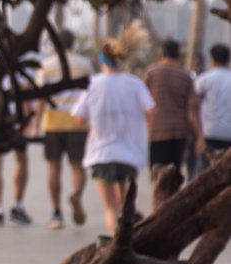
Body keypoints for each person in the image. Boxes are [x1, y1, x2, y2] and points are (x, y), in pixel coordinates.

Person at [72, 36, 155, 235]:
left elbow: (79, 118)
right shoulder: (134, 84)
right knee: (124, 202)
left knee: (110, 208)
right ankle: (127, 238)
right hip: (129, 155)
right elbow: (151, 110)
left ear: (102, 60)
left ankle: (114, 244)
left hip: (101, 154)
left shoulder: (92, 84)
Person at [34, 29, 94, 229]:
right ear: (73, 43)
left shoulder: (46, 65)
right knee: (78, 166)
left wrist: (35, 125)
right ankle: (76, 194)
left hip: (53, 122)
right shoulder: (85, 64)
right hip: (78, 121)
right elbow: (91, 93)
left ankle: (57, 213)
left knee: (54, 167)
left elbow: (41, 96)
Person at [0, 51, 33, 227]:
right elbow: (26, 93)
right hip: (16, 119)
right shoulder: (21, 61)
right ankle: (17, 206)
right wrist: (27, 122)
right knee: (21, 160)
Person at [143, 39, 193, 176]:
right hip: (180, 131)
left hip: (156, 131)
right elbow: (192, 107)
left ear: (162, 53)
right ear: (178, 54)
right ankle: (172, 197)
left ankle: (160, 197)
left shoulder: (151, 73)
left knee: (157, 174)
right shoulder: (185, 76)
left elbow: (143, 101)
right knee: (174, 175)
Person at [190, 43, 231, 163]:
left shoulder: (203, 80)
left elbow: (193, 107)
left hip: (209, 133)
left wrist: (199, 136)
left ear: (212, 59)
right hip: (228, 133)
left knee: (207, 175)